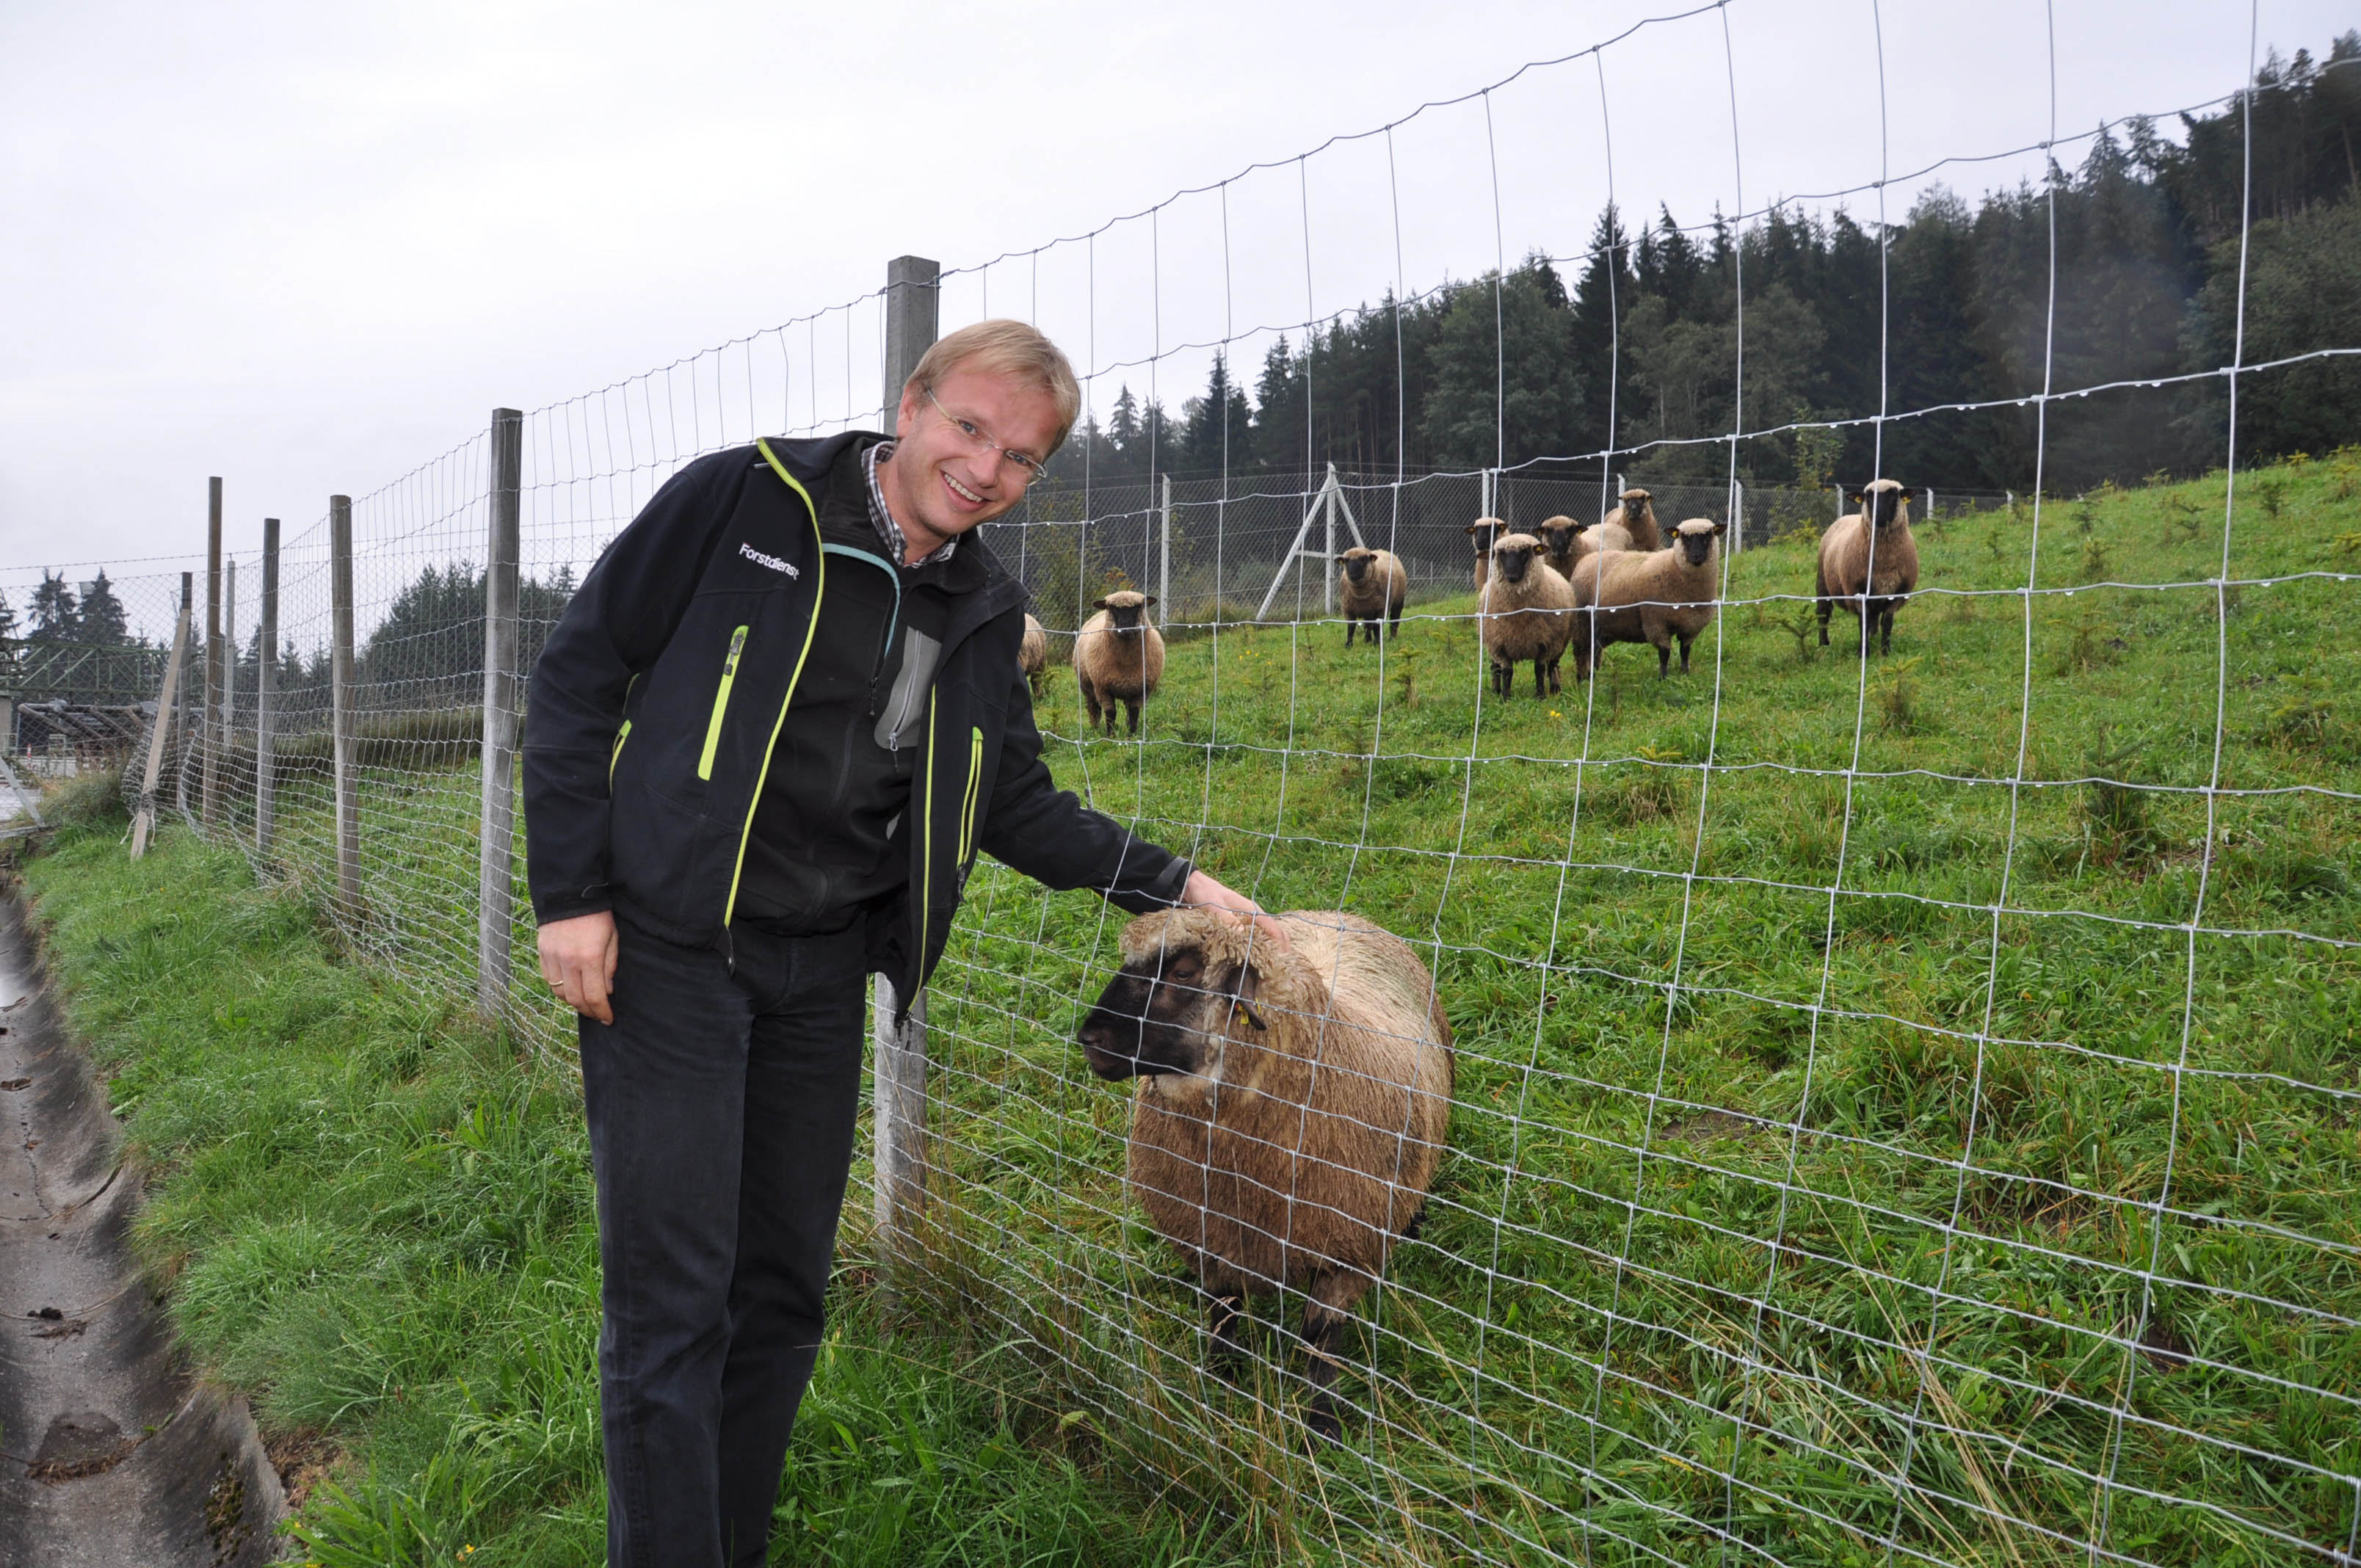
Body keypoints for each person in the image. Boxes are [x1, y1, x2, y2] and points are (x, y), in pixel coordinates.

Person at [522, 319, 1277, 1567]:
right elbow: (576, 676)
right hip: (670, 952)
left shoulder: (981, 609)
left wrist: (1180, 882)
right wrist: (569, 895)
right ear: (912, 404)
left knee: (781, 1296)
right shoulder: (746, 502)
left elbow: (1016, 803)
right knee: (672, 1309)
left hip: (819, 973)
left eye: (1022, 458)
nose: (986, 471)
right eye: (970, 429)